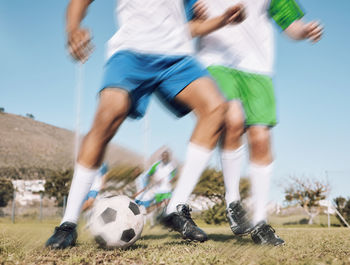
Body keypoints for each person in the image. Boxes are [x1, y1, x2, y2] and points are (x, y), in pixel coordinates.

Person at [45, 0, 244, 249]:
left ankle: (175, 209)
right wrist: (73, 27)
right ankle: (68, 224)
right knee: (106, 118)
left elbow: (191, 25)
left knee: (216, 110)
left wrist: (222, 19)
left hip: (177, 56)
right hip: (131, 52)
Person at [185, 0, 323, 246]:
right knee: (233, 119)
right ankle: (233, 200)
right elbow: (184, 18)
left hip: (258, 69)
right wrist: (193, 13)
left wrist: (305, 30)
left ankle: (260, 222)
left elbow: (290, 25)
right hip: (215, 60)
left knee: (261, 138)